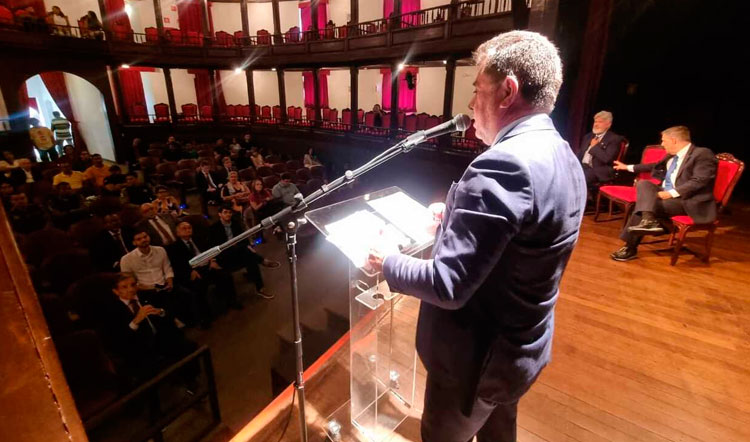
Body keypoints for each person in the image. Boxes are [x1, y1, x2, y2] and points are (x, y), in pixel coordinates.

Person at [367, 31, 585, 442]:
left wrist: (386, 261)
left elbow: (448, 285)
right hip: (518, 349)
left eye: (477, 89)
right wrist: (452, 219)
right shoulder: (562, 152)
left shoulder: (503, 164)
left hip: (474, 362)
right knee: (499, 433)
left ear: (507, 92)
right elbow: (521, 240)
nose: (470, 105)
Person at [610, 126, 717, 261]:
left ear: (673, 140)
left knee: (642, 207)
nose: (662, 144)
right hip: (668, 194)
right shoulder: (672, 156)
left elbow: (700, 180)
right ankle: (649, 220)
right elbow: (653, 166)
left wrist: (671, 193)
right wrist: (627, 167)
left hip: (688, 200)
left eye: (664, 141)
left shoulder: (702, 154)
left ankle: (631, 247)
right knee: (644, 184)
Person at [95, 273, 197, 381]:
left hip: (160, 338)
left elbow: (170, 313)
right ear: (116, 291)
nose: (131, 289)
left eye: (133, 285)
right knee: (144, 369)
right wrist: (135, 321)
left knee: (188, 346)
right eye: (124, 287)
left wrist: (160, 312)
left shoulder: (147, 295)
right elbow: (118, 341)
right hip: (137, 348)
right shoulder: (111, 311)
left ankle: (191, 381)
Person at [167, 221, 242, 328]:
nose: (188, 230)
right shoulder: (174, 247)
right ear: (177, 233)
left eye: (189, 227)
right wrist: (190, 271)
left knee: (225, 276)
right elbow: (177, 264)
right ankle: (204, 317)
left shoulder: (199, 239)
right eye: (184, 228)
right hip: (194, 271)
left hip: (208, 266)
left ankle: (232, 301)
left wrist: (213, 261)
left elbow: (210, 251)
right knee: (198, 288)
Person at [120, 229, 196, 326]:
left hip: (165, 284)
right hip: (145, 290)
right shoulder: (126, 259)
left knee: (187, 294)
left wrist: (170, 281)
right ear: (134, 243)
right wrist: (149, 288)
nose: (143, 240)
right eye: (139, 239)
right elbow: (129, 282)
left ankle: (190, 321)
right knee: (159, 302)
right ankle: (172, 322)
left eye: (145, 237)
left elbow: (167, 268)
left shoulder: (160, 250)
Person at [209, 204, 279, 299]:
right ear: (220, 214)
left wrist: (247, 246)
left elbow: (243, 238)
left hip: (238, 251)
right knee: (248, 253)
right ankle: (262, 260)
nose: (228, 214)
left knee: (250, 257)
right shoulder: (214, 228)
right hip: (224, 254)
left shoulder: (235, 223)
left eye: (230, 212)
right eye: (225, 212)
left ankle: (260, 288)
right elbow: (211, 246)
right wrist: (213, 260)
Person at [578, 111, 625, 188]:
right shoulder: (588, 136)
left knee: (579, 177)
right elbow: (580, 154)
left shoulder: (614, 139)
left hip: (599, 170)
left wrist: (594, 147)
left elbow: (608, 159)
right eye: (595, 122)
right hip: (583, 166)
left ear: (608, 125)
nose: (596, 124)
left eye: (600, 122)